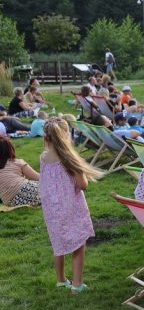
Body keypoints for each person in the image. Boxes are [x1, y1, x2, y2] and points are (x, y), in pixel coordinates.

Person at [40, 118, 102, 293]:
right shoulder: (69, 159)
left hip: (52, 209)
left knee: (58, 243)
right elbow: (82, 185)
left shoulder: (43, 157)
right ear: (66, 135)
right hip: (71, 208)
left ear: (47, 137)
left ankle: (61, 280)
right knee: (78, 244)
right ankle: (77, 284)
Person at [0, 135, 41, 206]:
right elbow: (38, 177)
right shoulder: (17, 162)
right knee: (49, 186)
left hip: (10, 201)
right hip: (27, 191)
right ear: (10, 149)